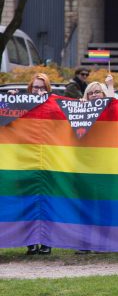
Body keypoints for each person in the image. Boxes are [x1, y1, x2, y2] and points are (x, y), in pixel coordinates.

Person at [25, 74, 52, 255]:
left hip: (49, 160)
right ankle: (29, 241)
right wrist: (9, 100)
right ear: (30, 89)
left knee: (48, 201)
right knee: (27, 201)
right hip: (26, 160)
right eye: (35, 87)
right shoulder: (20, 104)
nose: (39, 90)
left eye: (42, 87)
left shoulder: (54, 106)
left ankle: (47, 241)